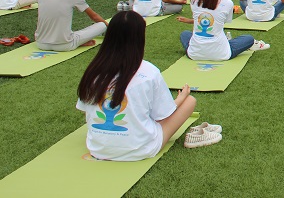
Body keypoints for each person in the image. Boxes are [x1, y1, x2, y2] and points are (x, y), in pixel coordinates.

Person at [77, 11, 199, 161]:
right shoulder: (149, 71)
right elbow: (162, 116)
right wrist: (181, 99)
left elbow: (87, 110)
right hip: (141, 149)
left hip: (98, 149)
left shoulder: (94, 70)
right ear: (139, 38)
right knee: (190, 101)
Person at [176, 0, 256, 60]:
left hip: (195, 53)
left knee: (185, 34)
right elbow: (224, 21)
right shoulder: (228, 3)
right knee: (249, 38)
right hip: (220, 53)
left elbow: (202, 19)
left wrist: (190, 21)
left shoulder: (194, 0)